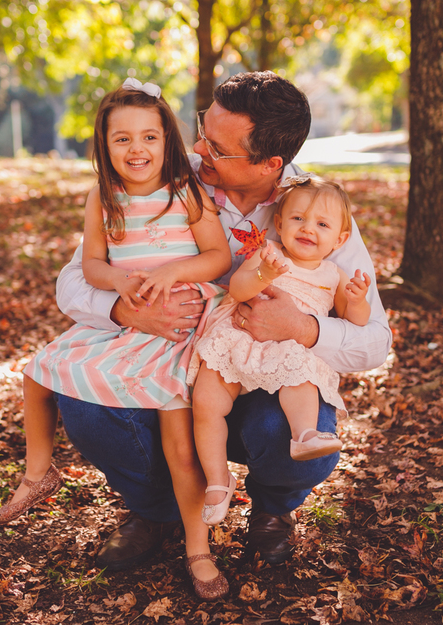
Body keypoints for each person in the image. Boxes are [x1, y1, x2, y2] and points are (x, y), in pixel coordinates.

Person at [55, 70, 391, 574]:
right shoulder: (169, 177)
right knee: (86, 405)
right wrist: (126, 309)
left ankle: (272, 510)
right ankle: (158, 510)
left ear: (269, 164)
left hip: (262, 379)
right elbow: (71, 282)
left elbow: (374, 343)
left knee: (302, 433)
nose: (196, 149)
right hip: (167, 366)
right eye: (201, 130)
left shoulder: (316, 211)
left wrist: (302, 328)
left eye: (216, 147)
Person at [0, 78, 233, 600]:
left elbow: (218, 258)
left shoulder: (187, 194)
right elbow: (92, 264)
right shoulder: (102, 199)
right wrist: (120, 281)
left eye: (149, 137)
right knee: (40, 369)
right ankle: (38, 472)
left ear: (168, 140)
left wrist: (173, 271)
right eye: (121, 139)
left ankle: (199, 548)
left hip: (177, 334)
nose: (136, 149)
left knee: (180, 447)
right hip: (132, 325)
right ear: (103, 145)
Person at [189, 175, 372, 525]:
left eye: (321, 224)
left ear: (340, 238)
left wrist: (357, 300)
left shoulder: (332, 275)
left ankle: (304, 435)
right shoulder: (267, 254)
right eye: (298, 219)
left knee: (300, 373)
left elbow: (355, 320)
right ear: (279, 223)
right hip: (238, 341)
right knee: (206, 402)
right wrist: (262, 275)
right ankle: (217, 479)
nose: (307, 229)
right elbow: (239, 290)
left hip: (285, 349)